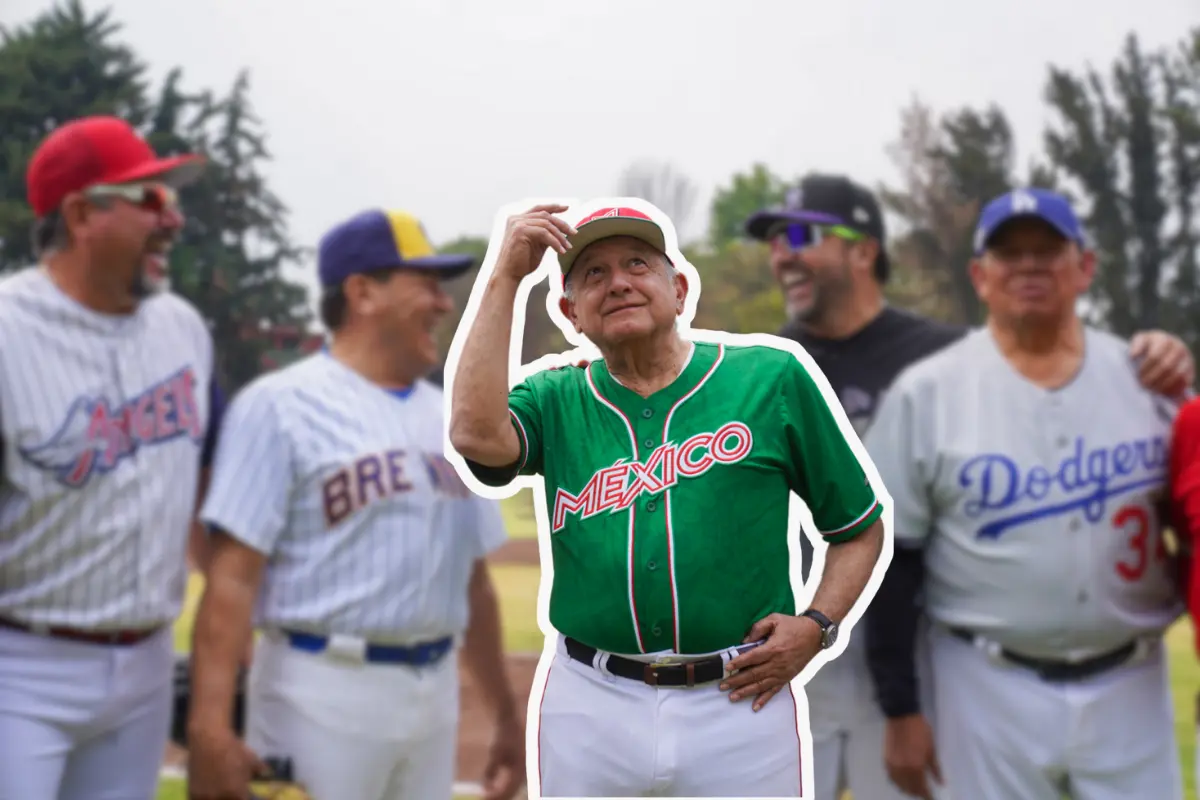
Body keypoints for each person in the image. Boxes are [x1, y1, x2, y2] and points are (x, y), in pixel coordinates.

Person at [743, 174, 1196, 800]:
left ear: (863, 249)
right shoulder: (757, 372)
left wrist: (1156, 355)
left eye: (801, 234)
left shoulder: (944, 360)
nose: (782, 253)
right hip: (777, 652)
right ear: (984, 275)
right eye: (773, 240)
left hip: (932, 657)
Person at [448, 201, 890, 798]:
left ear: (679, 289)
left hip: (741, 698)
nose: (619, 283)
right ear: (570, 312)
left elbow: (858, 527)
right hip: (590, 703)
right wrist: (504, 275)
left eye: (637, 263)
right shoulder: (553, 398)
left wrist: (817, 625)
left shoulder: (771, 377)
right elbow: (476, 436)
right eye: (593, 274)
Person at [185, 208, 524, 800]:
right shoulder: (279, 407)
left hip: (433, 694)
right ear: (362, 293)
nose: (443, 304)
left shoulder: (446, 419)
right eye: (424, 284)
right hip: (316, 691)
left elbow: (474, 585)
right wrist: (209, 727)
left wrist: (504, 714)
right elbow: (232, 582)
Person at [0, 114, 222, 800]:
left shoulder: (183, 329)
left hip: (147, 665)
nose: (172, 221)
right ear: (80, 214)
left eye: (172, 201)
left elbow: (204, 489)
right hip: (21, 664)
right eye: (150, 199)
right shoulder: (7, 330)